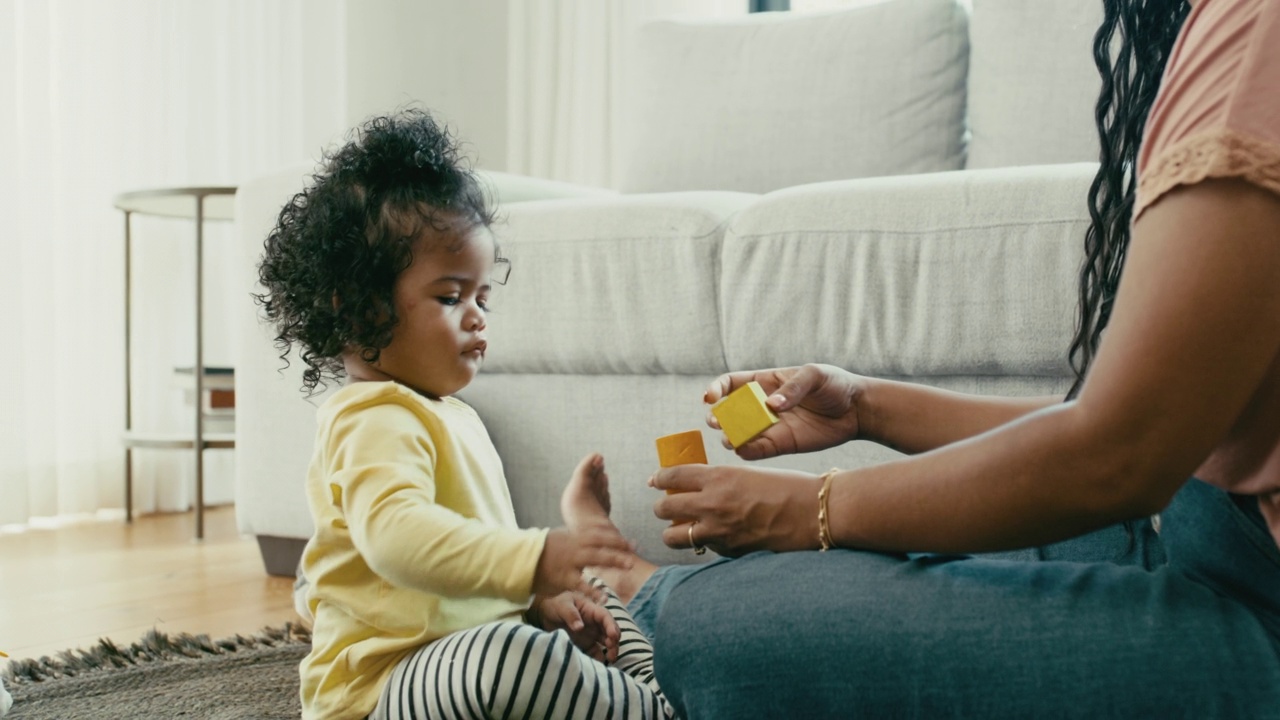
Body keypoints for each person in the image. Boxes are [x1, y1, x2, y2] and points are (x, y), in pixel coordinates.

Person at [573, 0, 1280, 717]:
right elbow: (1127, 421)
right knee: (844, 560)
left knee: (722, 623)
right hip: (1206, 533)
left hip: (1258, 619)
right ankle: (645, 590)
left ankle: (643, 593)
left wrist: (805, 510)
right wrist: (865, 405)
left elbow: (1115, 455)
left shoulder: (1259, 37)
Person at [256, 109, 672, 720]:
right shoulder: (371, 417)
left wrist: (536, 597)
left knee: (591, 590)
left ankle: (657, 695)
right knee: (509, 656)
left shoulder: (455, 416)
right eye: (451, 297)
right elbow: (399, 540)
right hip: (380, 693)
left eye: (483, 296)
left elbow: (468, 585)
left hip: (457, 669)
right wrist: (529, 562)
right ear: (362, 310)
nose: (477, 316)